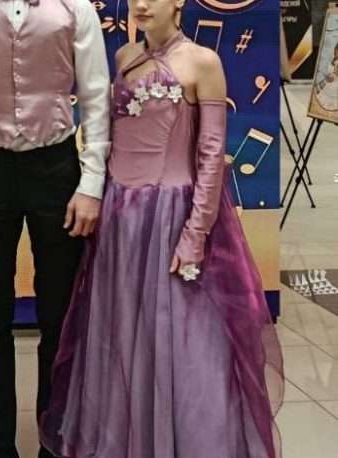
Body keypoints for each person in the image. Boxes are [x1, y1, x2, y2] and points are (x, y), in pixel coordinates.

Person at [39, 0, 284, 455]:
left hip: (171, 214)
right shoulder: (123, 57)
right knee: (120, 330)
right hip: (120, 215)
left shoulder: (203, 62)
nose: (142, 5)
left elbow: (210, 156)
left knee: (177, 334)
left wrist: (196, 233)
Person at [0, 0, 111, 456]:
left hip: (56, 167)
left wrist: (91, 182)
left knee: (58, 314)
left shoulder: (75, 8)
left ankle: (54, 438)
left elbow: (96, 97)